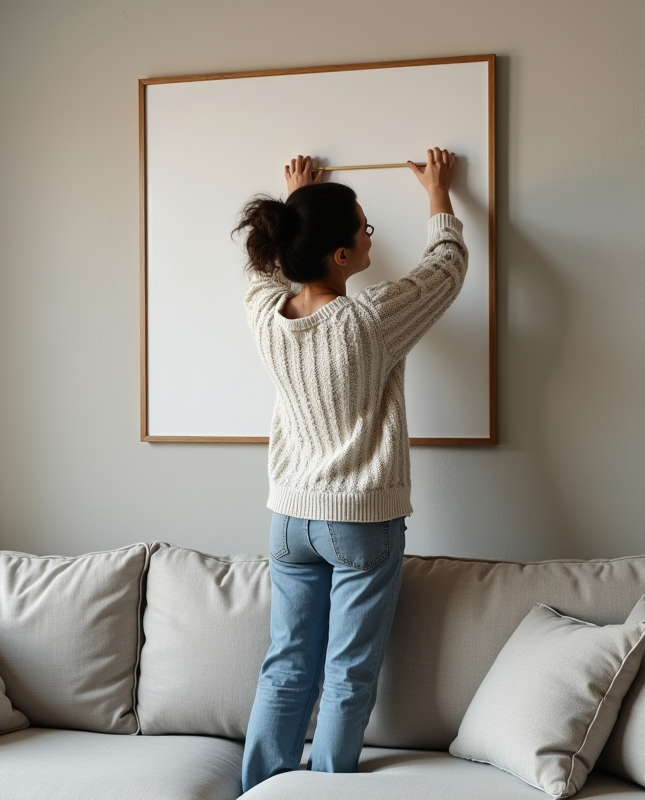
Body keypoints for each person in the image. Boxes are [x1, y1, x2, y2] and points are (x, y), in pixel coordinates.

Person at [236, 148, 467, 792]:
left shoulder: (263, 316)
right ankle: (329, 790)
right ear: (340, 256)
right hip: (360, 520)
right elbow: (446, 268)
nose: (371, 237)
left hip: (289, 520)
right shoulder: (370, 320)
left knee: (286, 665)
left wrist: (296, 201)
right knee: (347, 671)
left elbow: (266, 271)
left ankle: (257, 792)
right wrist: (438, 194)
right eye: (365, 230)